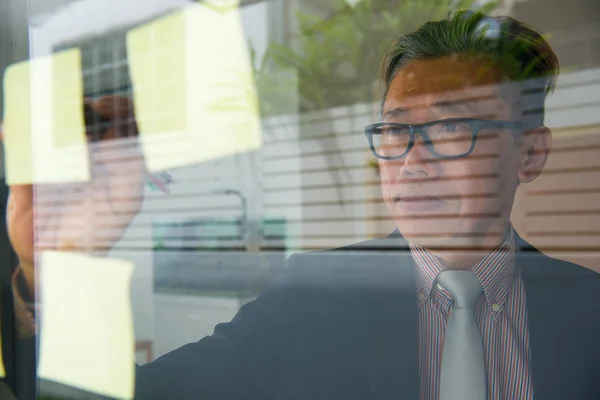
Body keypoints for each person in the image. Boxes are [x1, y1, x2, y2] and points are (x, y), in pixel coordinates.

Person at [3, 10, 600, 400]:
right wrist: (61, 274)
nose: (413, 161)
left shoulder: (590, 313)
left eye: (451, 128)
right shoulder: (316, 293)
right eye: (395, 131)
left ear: (530, 153)